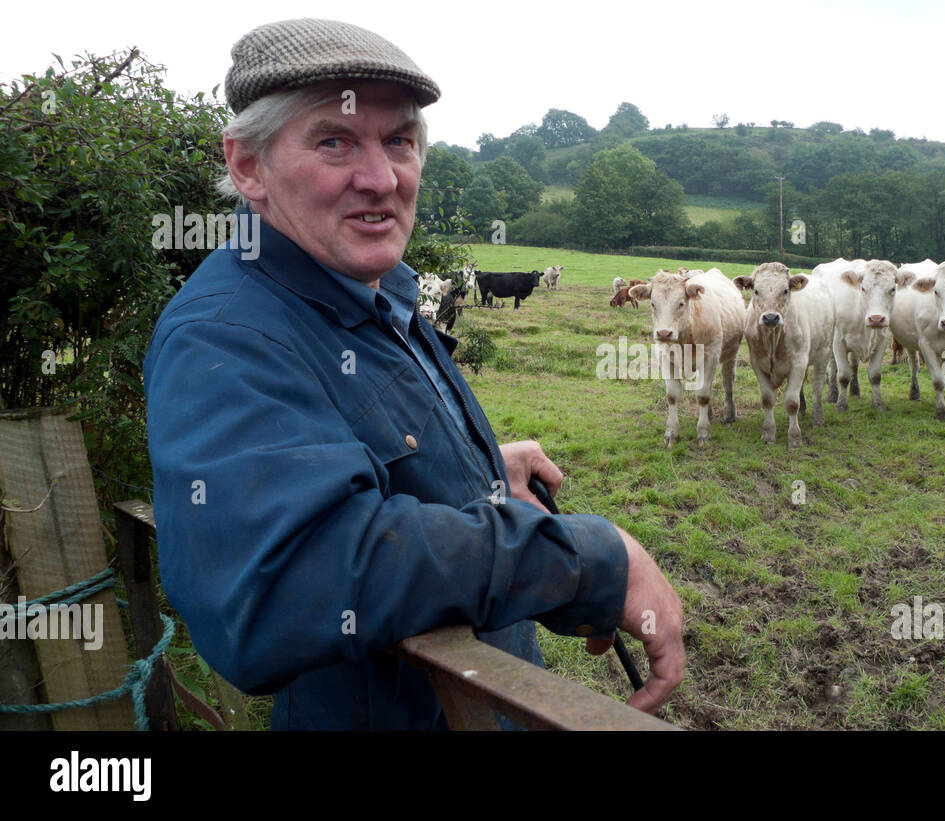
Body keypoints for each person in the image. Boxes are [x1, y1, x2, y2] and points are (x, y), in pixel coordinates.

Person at [143, 18, 683, 730]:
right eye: (333, 140)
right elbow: (288, 580)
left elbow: (361, 449)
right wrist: (585, 560)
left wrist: (481, 470)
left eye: (399, 140)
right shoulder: (222, 334)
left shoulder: (372, 289)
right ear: (247, 165)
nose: (381, 177)